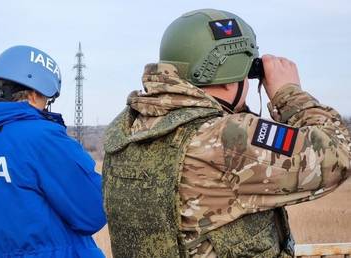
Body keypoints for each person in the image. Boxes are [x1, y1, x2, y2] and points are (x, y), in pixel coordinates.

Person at [102, 9, 351, 258]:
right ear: (230, 78)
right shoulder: (226, 140)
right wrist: (289, 94)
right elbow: (339, 154)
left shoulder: (130, 127)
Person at [0, 45, 106, 258]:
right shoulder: (41, 136)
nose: (46, 107)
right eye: (48, 100)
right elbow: (92, 211)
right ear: (35, 94)